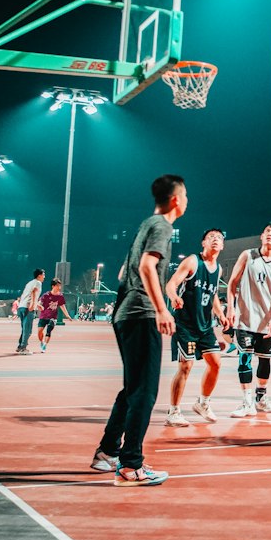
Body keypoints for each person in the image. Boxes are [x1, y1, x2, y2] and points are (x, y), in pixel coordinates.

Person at [90, 174, 184, 486]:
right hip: (141, 314)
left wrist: (122, 310)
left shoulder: (145, 224)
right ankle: (131, 466)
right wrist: (159, 309)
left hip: (127, 312)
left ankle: (107, 452)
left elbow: (123, 271)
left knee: (132, 390)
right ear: (175, 199)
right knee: (145, 392)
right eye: (185, 195)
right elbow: (146, 266)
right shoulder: (162, 226)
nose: (186, 201)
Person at [226, 223, 271, 418]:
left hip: (267, 322)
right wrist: (230, 308)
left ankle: (260, 399)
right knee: (245, 357)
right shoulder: (248, 255)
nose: (270, 234)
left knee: (265, 360)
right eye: (267, 232)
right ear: (262, 236)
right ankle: (246, 402)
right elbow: (232, 284)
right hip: (245, 319)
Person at [164, 228, 227, 425]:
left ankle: (203, 403)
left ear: (222, 245)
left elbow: (214, 294)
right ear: (203, 243)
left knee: (216, 364)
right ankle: (173, 411)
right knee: (186, 365)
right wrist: (174, 296)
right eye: (211, 237)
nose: (215, 240)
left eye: (219, 238)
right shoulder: (193, 261)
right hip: (186, 325)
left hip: (205, 326)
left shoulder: (218, 269)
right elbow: (171, 283)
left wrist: (221, 314)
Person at [15, 268, 45, 352]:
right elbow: (34, 292)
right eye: (43, 275)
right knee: (28, 330)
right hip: (28, 308)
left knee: (25, 329)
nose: (44, 277)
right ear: (39, 275)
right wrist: (32, 305)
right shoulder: (38, 283)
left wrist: (37, 304)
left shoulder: (29, 283)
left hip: (21, 307)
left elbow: (25, 295)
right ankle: (23, 348)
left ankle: (20, 346)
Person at [36, 278, 68, 351]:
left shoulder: (60, 296)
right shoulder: (46, 295)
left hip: (53, 317)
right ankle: (41, 342)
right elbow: (40, 302)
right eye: (57, 286)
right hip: (43, 316)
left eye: (60, 286)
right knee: (39, 331)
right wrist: (38, 305)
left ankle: (45, 345)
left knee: (49, 329)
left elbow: (62, 305)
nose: (59, 288)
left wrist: (67, 315)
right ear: (53, 286)